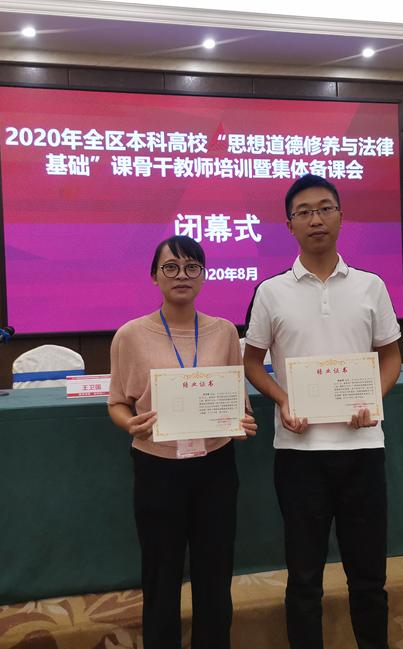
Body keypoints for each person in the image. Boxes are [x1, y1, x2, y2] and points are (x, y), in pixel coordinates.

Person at [243, 174, 402, 649]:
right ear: (289, 224)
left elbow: (391, 356)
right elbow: (251, 362)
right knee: (304, 580)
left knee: (369, 579)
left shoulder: (371, 286)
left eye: (325, 208)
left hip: (362, 448)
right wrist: (282, 398)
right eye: (304, 212)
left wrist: (373, 399)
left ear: (340, 216)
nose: (316, 219)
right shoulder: (271, 291)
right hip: (299, 454)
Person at [108, 234, 257, 649]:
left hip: (215, 466)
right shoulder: (130, 335)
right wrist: (130, 424)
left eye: (192, 267)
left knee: (215, 574)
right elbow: (117, 402)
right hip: (157, 466)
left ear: (204, 276)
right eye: (170, 267)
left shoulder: (224, 332)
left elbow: (237, 402)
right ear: (154, 277)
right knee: (161, 575)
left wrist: (244, 423)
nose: (181, 275)